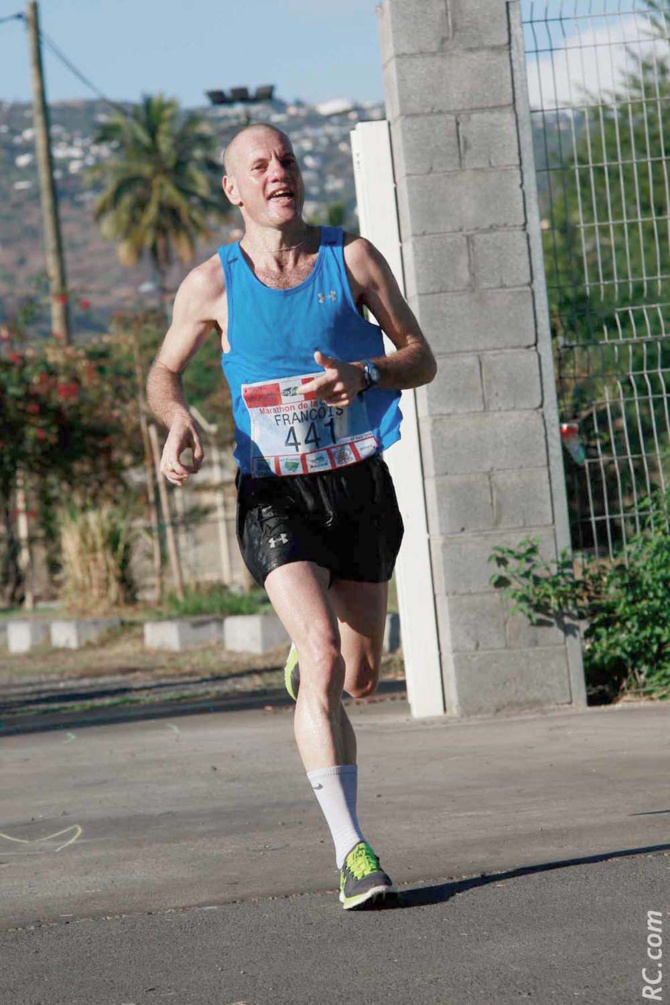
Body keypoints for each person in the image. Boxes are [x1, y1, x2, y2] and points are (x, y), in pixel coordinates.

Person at [146, 123, 437, 910]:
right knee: (319, 653)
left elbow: (423, 356)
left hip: (358, 488)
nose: (279, 172)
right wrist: (176, 419)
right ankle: (353, 853)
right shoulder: (212, 283)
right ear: (234, 190)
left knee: (361, 674)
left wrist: (367, 371)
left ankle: (321, 666)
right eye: (259, 165)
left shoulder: (353, 261)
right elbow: (162, 372)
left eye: (288, 160)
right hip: (273, 493)